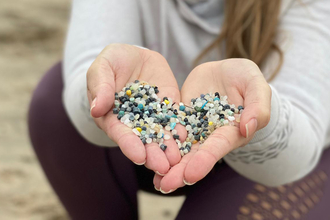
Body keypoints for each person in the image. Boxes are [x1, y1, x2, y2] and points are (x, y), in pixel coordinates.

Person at [28, 0, 330, 219]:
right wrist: (106, 87)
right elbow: (91, 67)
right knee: (57, 97)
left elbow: (297, 150)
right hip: (151, 146)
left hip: (285, 160)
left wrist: (259, 108)